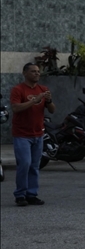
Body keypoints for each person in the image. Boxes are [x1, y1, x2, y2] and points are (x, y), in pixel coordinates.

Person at [9, 62, 55, 206]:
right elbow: (16, 108)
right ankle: (20, 195)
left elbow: (52, 110)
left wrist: (49, 100)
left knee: (35, 166)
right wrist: (35, 100)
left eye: (38, 71)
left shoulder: (43, 89)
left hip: (38, 134)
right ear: (25, 73)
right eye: (33, 71)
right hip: (22, 134)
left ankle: (31, 194)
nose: (37, 74)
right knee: (25, 164)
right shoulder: (18, 90)